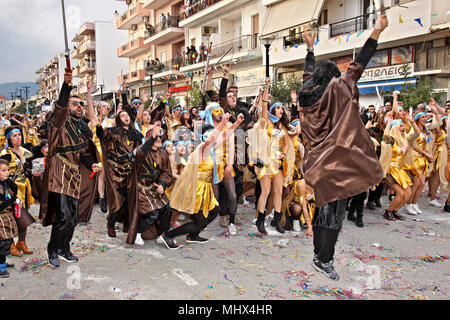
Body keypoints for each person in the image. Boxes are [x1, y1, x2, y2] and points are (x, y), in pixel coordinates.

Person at [296, 14, 388, 280]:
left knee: (323, 208)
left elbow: (307, 74)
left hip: (315, 164)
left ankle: (318, 255)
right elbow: (359, 64)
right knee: (334, 215)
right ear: (335, 78)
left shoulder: (306, 96)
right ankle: (324, 260)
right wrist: (378, 30)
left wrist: (310, 49)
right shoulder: (338, 87)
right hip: (336, 164)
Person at [39, 70, 102, 268]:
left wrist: (90, 163)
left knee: (73, 217)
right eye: (75, 103)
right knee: (63, 216)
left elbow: (83, 152)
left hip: (74, 174)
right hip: (59, 172)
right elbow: (58, 108)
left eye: (81, 104)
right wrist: (66, 87)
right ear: (67, 107)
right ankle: (52, 250)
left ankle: (64, 248)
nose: (80, 107)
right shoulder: (59, 123)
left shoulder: (80, 127)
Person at [161, 113, 232, 250]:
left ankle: (193, 235)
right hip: (196, 189)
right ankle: (168, 235)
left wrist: (235, 124)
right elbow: (213, 138)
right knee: (200, 222)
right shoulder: (202, 149)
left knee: (215, 210)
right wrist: (223, 122)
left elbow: (224, 136)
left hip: (205, 189)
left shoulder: (209, 150)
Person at [248, 77, 294, 235]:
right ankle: (260, 221)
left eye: (283, 108)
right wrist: (267, 86)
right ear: (273, 110)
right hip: (265, 163)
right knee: (265, 192)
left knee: (278, 192)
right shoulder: (267, 121)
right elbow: (264, 103)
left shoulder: (283, 127)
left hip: (278, 164)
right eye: (278, 108)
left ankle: (276, 221)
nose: (281, 110)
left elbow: (287, 143)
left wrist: (283, 153)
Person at [97, 109, 143, 238]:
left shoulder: (135, 133)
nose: (125, 117)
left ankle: (127, 224)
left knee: (129, 198)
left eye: (127, 115)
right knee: (116, 199)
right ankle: (111, 225)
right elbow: (101, 135)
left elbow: (140, 150)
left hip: (130, 169)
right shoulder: (113, 132)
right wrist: (98, 123)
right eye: (122, 115)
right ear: (118, 119)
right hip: (114, 170)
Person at [127, 123, 173, 246]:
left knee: (167, 209)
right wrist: (152, 135)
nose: (158, 139)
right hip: (141, 189)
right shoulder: (141, 151)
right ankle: (137, 233)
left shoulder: (163, 153)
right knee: (152, 214)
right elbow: (137, 153)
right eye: (155, 137)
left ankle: (161, 234)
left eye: (159, 137)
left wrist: (162, 184)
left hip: (156, 188)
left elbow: (167, 172)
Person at [1, 126, 35, 256]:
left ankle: (21, 242)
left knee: (23, 216)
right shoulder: (5, 154)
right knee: (11, 217)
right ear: (9, 138)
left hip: (25, 187)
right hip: (12, 188)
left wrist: (33, 173)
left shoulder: (25, 151)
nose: (18, 138)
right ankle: (10, 245)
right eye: (14, 135)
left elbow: (28, 169)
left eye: (19, 135)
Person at [0, 155, 19, 278]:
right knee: (2, 244)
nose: (7, 172)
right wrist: (12, 200)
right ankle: (1, 267)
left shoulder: (6, 184)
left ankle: (2, 262)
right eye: (3, 170)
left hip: (7, 218)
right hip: (1, 220)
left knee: (7, 242)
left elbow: (13, 193)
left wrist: (16, 200)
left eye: (8, 170)